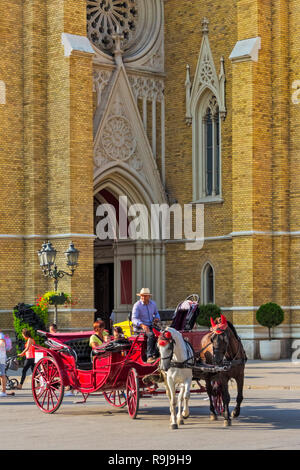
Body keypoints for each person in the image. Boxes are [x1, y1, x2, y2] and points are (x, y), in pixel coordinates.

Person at [132, 287, 160, 363]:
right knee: (150, 335)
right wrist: (142, 325)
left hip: (150, 326)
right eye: (142, 295)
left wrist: (157, 318)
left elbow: (156, 313)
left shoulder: (153, 304)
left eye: (145, 295)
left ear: (149, 296)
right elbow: (134, 319)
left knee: (161, 334)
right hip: (139, 327)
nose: (143, 297)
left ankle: (155, 354)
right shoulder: (137, 305)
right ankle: (149, 356)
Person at [0, 329, 14, 397]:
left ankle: (3, 391)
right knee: (2, 374)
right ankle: (3, 391)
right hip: (2, 356)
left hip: (1, 357)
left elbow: (2, 343)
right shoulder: (2, 335)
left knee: (2, 374)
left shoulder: (1, 335)